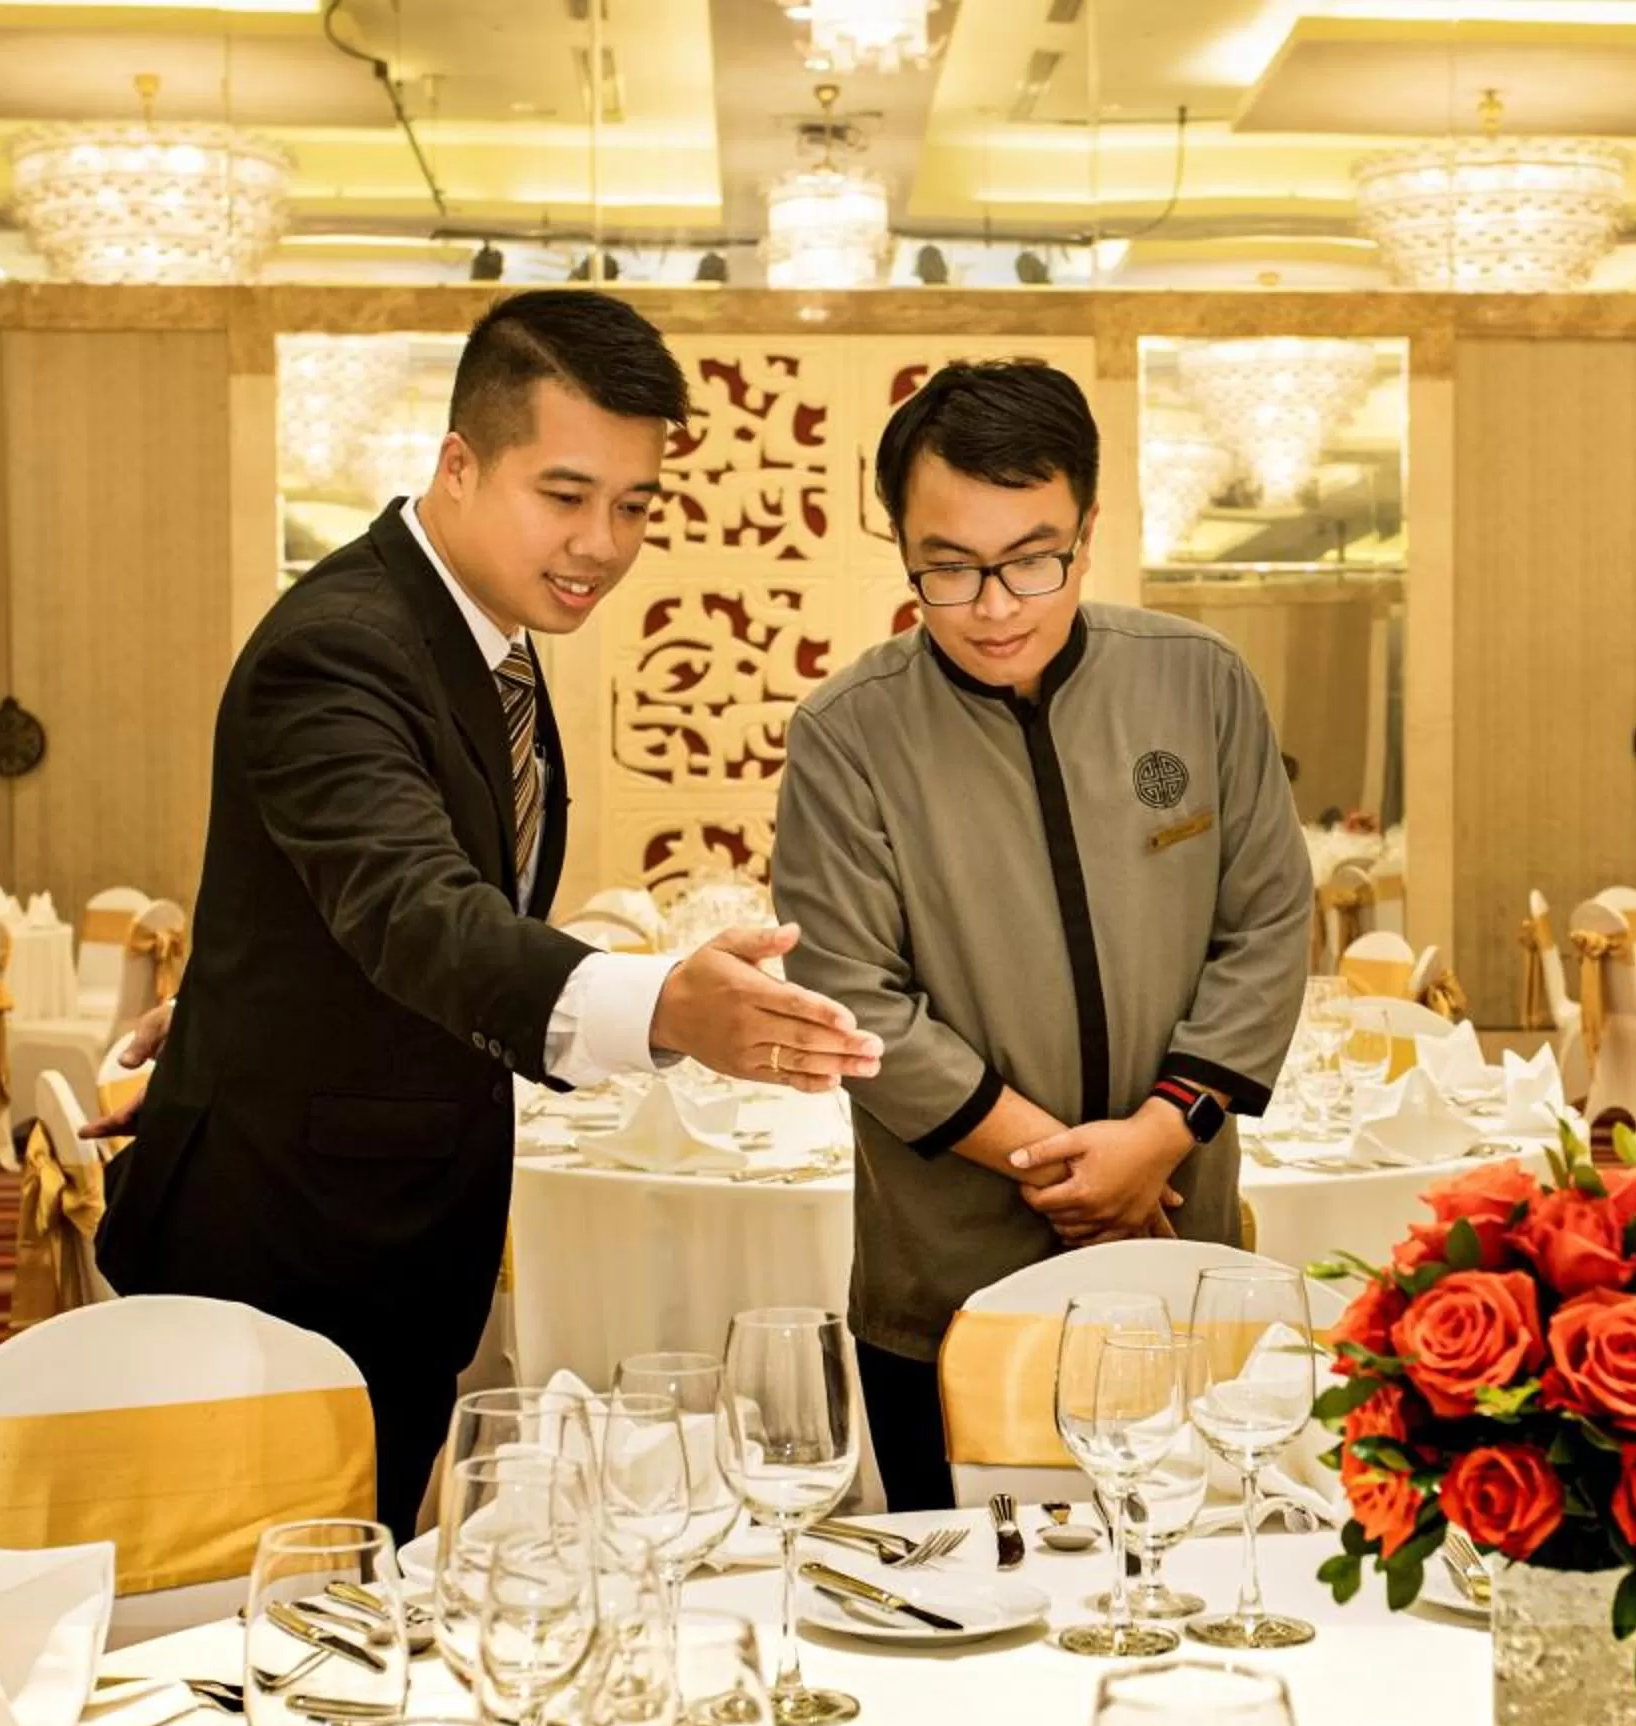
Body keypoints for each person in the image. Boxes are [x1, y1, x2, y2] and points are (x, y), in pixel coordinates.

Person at [95, 290, 882, 1530]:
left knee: (364, 1583)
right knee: (283, 1599)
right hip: (286, 1239)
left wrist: (243, 994)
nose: (601, 545)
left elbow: (345, 897)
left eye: (634, 507)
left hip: (385, 1216)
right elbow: (418, 908)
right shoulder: (340, 648)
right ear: (458, 463)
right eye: (564, 496)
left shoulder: (482, 636)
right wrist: (664, 1008)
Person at [773, 360, 1313, 1510]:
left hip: (1182, 1258)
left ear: (1090, 531)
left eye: (1033, 559)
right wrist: (1079, 1177)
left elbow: (1267, 923)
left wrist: (1159, 1139)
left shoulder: (1200, 683)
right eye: (950, 568)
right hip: (950, 1282)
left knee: (1197, 1579)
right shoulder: (847, 734)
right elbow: (854, 996)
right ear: (901, 545)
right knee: (956, 1591)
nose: (996, 606)